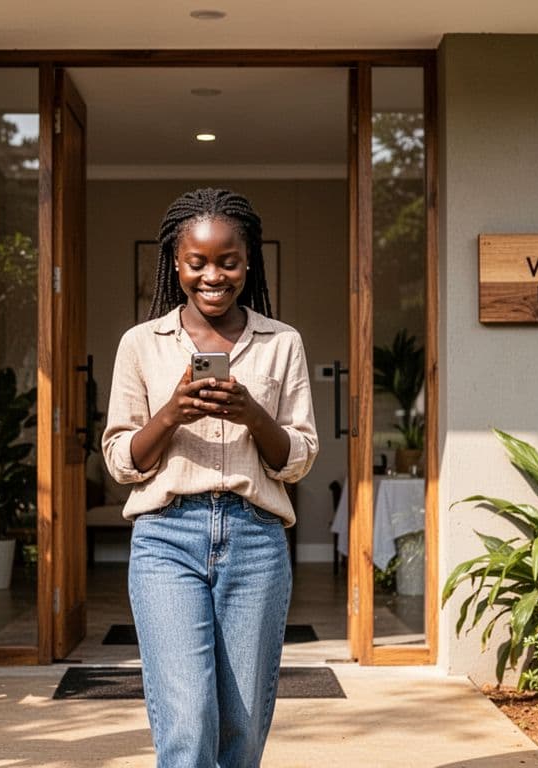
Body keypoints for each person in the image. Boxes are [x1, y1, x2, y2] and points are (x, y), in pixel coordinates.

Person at [102, 188, 319, 768]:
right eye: (197, 262)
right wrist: (171, 412)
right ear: (175, 263)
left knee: (242, 732)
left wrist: (252, 414)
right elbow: (122, 459)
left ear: (249, 263)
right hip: (166, 539)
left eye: (228, 261)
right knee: (187, 720)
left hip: (255, 542)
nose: (213, 275)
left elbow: (298, 457)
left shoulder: (283, 343)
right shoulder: (140, 344)